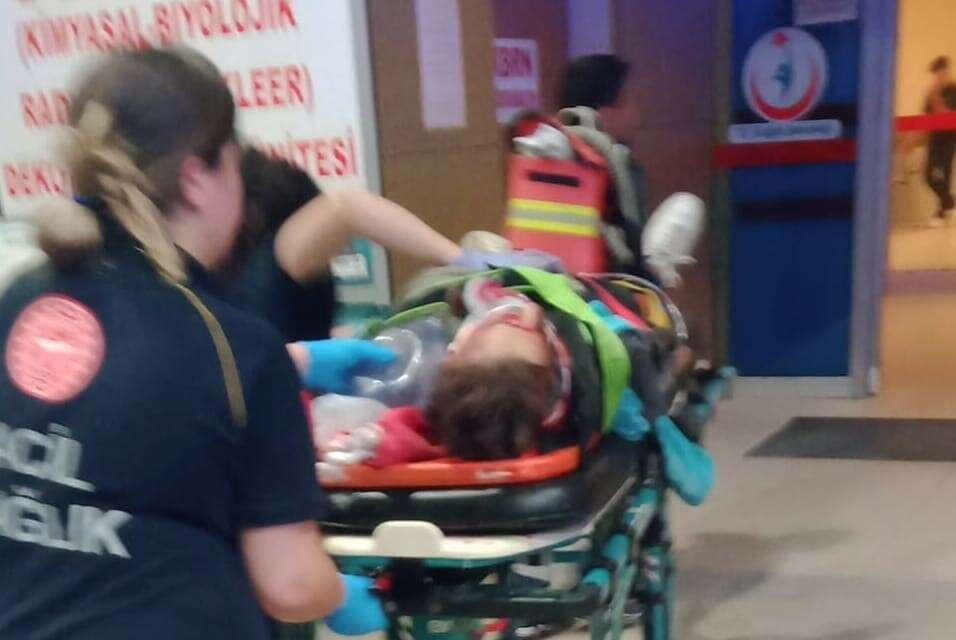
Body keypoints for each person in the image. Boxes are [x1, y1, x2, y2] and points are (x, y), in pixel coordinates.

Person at [0, 48, 384, 639]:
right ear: (197, 178)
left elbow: (109, 395)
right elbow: (290, 585)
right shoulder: (236, 346)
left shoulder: (21, 300)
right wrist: (338, 591)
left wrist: (297, 363)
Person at [925, 56, 956, 224]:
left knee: (944, 174)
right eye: (936, 73)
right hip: (934, 137)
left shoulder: (952, 90)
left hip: (949, 138)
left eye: (940, 72)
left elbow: (946, 114)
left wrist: (935, 94)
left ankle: (942, 212)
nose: (937, 76)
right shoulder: (932, 92)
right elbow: (926, 114)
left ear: (945, 71)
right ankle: (949, 204)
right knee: (929, 175)